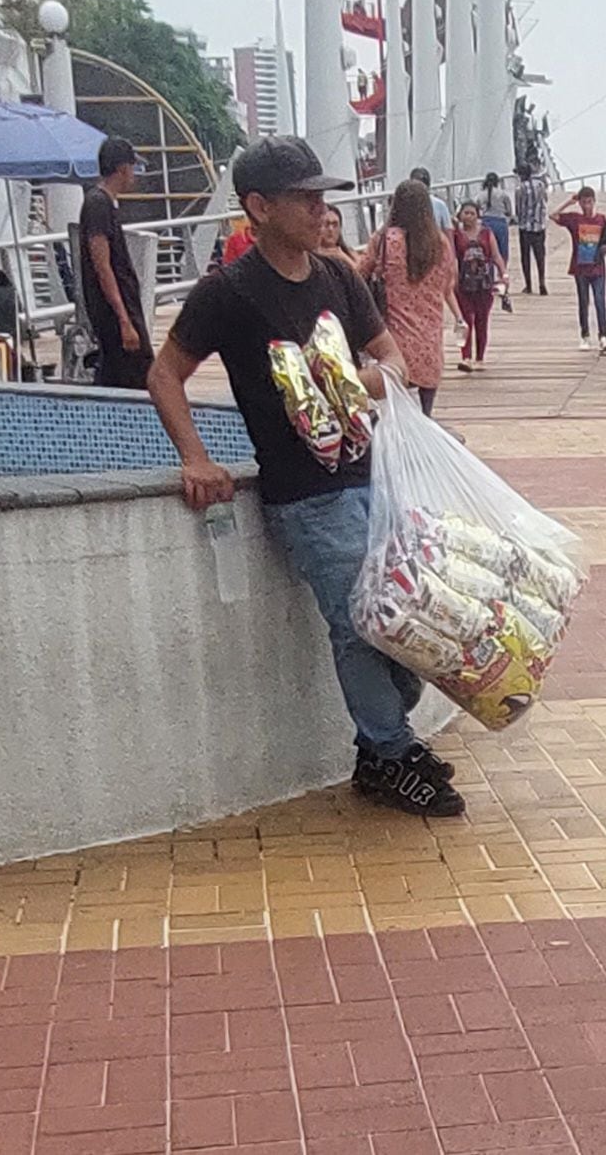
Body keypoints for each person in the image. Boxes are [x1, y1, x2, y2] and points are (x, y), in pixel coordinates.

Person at [146, 135, 463, 818]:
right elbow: (164, 373)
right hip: (306, 495)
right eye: (305, 197)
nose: (322, 208)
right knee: (358, 625)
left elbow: (395, 362)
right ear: (258, 207)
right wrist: (194, 457)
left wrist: (361, 376)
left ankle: (379, 746)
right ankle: (391, 751)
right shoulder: (227, 293)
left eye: (323, 195)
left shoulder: (338, 276)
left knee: (401, 619)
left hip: (374, 475)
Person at [362, 179, 459, 414]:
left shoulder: (385, 239)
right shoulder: (440, 244)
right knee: (423, 420)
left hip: (393, 349)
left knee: (393, 425)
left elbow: (359, 273)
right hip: (429, 349)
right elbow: (448, 282)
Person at [80, 137, 154, 390]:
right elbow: (102, 266)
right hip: (115, 311)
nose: (133, 174)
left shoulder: (104, 203)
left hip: (121, 306)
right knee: (139, 375)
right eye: (132, 168)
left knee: (116, 376)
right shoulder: (98, 204)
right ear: (123, 169)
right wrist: (124, 319)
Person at [552, 185, 606, 352]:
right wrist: (569, 202)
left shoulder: (602, 219)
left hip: (598, 268)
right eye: (584, 202)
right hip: (580, 268)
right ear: (580, 203)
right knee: (583, 302)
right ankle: (585, 336)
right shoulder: (575, 219)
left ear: (594, 201)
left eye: (589, 202)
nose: (587, 206)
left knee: (600, 301)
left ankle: (603, 336)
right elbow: (553, 215)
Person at [451, 201, 505, 372]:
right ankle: (466, 357)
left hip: (484, 283)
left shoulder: (486, 233)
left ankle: (480, 358)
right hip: (463, 284)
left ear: (478, 215)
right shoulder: (455, 235)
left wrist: (504, 274)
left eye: (472, 213)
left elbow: (496, 255)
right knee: (465, 320)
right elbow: (451, 257)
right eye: (465, 213)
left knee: (482, 320)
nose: (468, 216)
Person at [478, 171, 514, 313]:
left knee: (488, 255)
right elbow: (509, 211)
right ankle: (502, 281)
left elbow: (477, 209)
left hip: (486, 223)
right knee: (501, 255)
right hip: (500, 223)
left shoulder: (480, 195)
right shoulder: (503, 194)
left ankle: (489, 280)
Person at [513, 162, 548, 295]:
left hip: (525, 227)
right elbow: (545, 200)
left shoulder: (520, 189)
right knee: (540, 256)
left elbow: (519, 208)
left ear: (521, 175)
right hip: (539, 226)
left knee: (525, 256)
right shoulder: (540, 185)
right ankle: (542, 282)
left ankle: (528, 285)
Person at [318, 205, 360, 274]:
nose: (331, 229)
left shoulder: (348, 252)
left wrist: (343, 257)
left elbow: (363, 275)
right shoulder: (312, 257)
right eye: (326, 224)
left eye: (335, 225)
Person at [408, 165, 452, 230]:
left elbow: (448, 229)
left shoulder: (439, 205)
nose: (419, 188)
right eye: (416, 185)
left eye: (423, 184)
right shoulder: (405, 204)